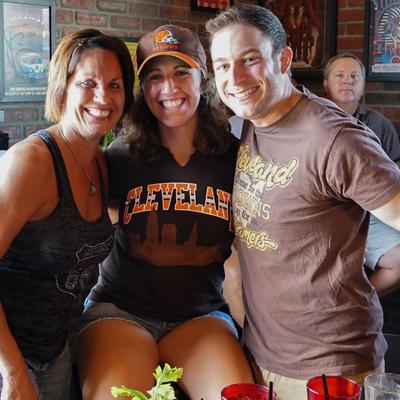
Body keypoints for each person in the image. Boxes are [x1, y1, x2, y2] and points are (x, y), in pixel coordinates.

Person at [206, 5, 400, 400]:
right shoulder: (244, 127)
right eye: (222, 65)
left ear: (284, 59)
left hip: (331, 369)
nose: (235, 78)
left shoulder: (334, 137)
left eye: (249, 60)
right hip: (261, 357)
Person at [77, 24, 254, 400]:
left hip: (201, 315)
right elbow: (90, 237)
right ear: (142, 89)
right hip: (120, 312)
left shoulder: (236, 158)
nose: (169, 89)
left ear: (202, 78)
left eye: (180, 73)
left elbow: (243, 255)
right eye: (155, 77)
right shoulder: (120, 157)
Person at [0, 29, 134, 400]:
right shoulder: (32, 163)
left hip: (54, 353)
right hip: (9, 357)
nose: (103, 97)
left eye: (115, 85)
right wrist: (11, 373)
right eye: (87, 83)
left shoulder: (103, 165)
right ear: (63, 88)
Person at [324, 52, 400, 333]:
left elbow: (395, 173)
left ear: (363, 85)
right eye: (339, 75)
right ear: (326, 84)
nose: (348, 81)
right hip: (328, 211)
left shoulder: (379, 125)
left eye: (354, 76)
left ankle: (356, 308)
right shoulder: (312, 121)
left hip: (373, 212)